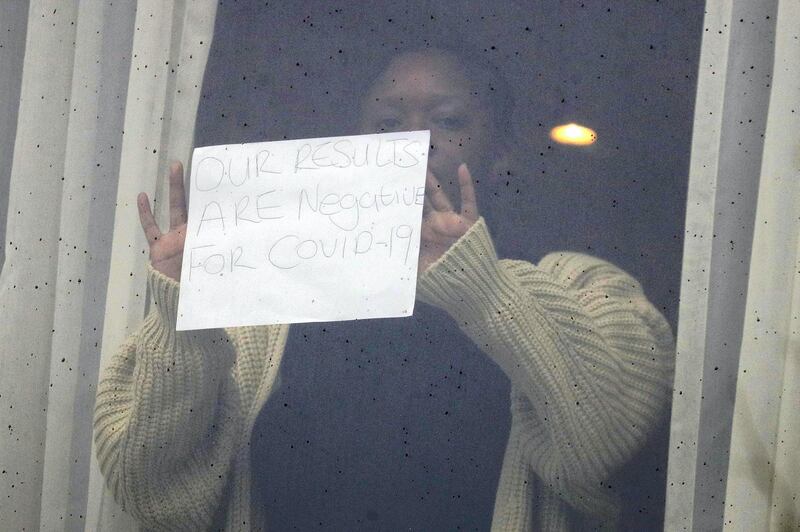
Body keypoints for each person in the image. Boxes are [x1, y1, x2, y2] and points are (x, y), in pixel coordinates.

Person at [93, 47, 675, 531]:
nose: (415, 141)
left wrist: (483, 286)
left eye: (449, 120)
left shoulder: (577, 284)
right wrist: (187, 315)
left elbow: (606, 449)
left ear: (501, 153)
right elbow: (150, 491)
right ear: (354, 145)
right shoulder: (266, 299)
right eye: (388, 124)